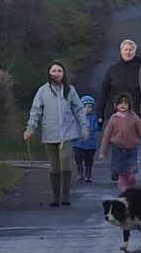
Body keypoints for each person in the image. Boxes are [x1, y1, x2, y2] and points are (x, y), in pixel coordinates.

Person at [24, 61, 91, 207]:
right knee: (54, 164)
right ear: (49, 73)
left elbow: (79, 109)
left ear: (63, 73)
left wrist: (84, 127)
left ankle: (65, 196)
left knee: (65, 159)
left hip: (67, 133)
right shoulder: (43, 91)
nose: (56, 74)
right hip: (49, 133)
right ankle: (56, 197)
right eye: (53, 71)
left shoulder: (70, 90)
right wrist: (31, 128)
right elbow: (36, 110)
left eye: (59, 71)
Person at [98, 39, 141, 181]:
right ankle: (116, 168)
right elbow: (104, 92)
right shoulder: (113, 69)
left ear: (134, 52)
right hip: (114, 113)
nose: (128, 52)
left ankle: (129, 168)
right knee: (115, 141)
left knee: (131, 142)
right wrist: (100, 113)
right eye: (125, 50)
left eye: (131, 50)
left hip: (134, 114)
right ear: (121, 51)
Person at [98, 92, 141, 192]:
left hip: (131, 150)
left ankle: (132, 187)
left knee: (131, 176)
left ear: (129, 105)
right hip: (118, 150)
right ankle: (124, 192)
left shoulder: (134, 117)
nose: (123, 105)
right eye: (120, 103)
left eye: (125, 103)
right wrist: (103, 152)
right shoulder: (113, 118)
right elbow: (107, 136)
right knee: (122, 174)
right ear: (116, 105)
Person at [73, 94, 101, 183]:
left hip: (90, 144)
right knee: (78, 158)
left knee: (89, 160)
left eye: (89, 107)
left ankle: (88, 175)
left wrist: (99, 123)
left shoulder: (93, 118)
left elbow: (97, 128)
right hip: (78, 143)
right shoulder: (77, 117)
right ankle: (80, 173)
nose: (87, 109)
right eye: (85, 107)